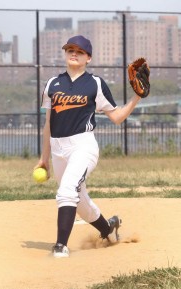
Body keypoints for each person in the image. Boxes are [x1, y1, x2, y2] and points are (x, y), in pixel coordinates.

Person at [34, 35, 142, 258]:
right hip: (57, 149)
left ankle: (60, 246)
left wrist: (137, 97)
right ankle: (108, 228)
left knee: (66, 192)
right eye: (70, 50)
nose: (74, 53)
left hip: (83, 146)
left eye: (80, 51)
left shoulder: (95, 83)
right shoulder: (52, 84)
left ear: (88, 58)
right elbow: (48, 124)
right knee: (80, 201)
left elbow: (117, 117)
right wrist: (44, 158)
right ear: (65, 53)